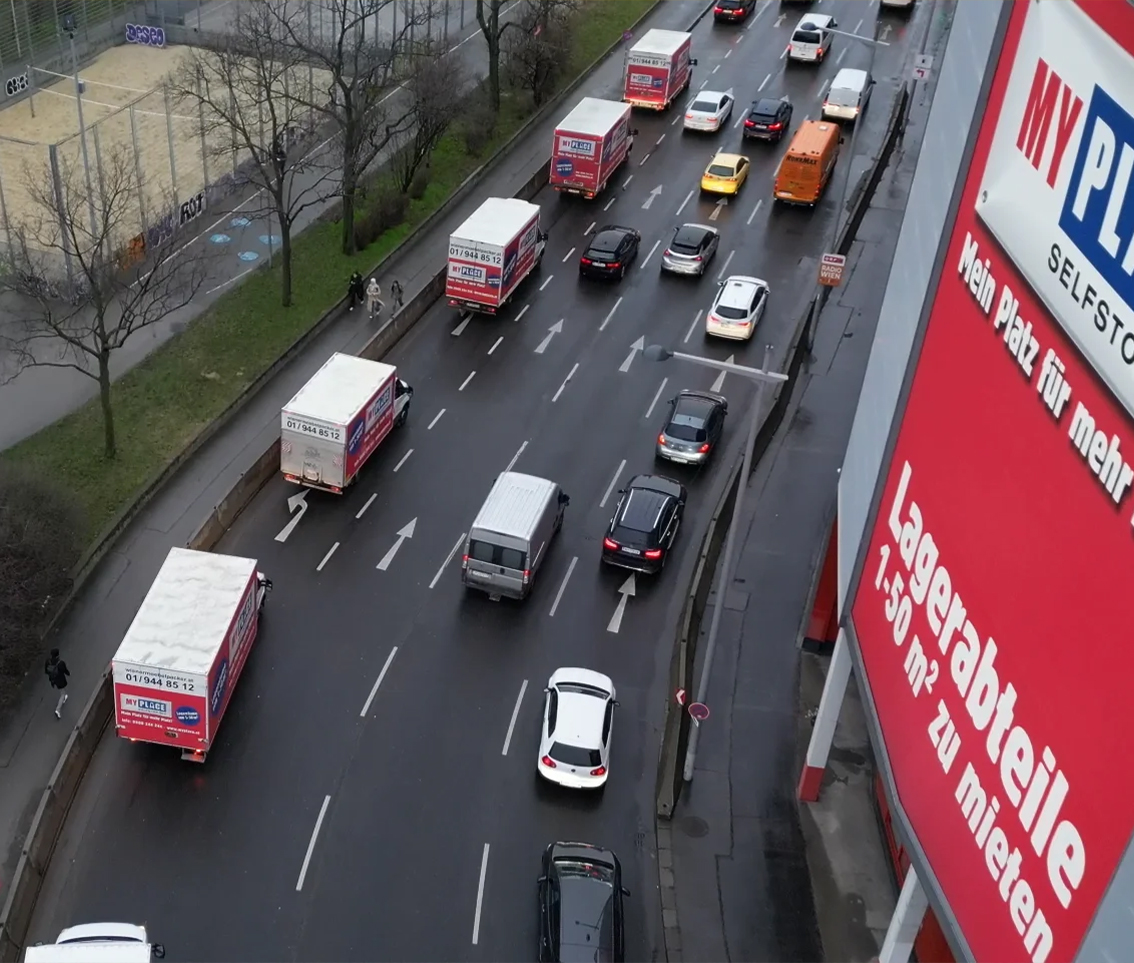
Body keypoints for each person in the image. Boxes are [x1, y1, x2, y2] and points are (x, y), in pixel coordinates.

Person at [44, 648, 70, 719]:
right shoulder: (60, 663)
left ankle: (64, 698)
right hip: (60, 680)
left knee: (62, 690)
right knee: (62, 693)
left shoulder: (48, 661)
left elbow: (46, 671)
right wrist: (68, 673)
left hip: (53, 680)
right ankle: (58, 709)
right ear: (58, 655)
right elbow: (65, 670)